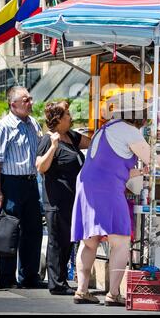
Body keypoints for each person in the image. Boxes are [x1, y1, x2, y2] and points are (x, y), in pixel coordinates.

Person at [71, 92, 160, 306]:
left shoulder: (106, 128)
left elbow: (111, 167)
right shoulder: (129, 131)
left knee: (89, 241)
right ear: (140, 115)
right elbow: (154, 160)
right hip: (107, 189)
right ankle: (113, 294)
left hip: (86, 186)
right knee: (120, 242)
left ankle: (82, 291)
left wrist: (140, 172)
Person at [0, 86, 43, 289]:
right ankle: (6, 278)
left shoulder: (33, 124)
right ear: (13, 105)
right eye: (25, 100)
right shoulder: (3, 127)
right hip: (10, 183)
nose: (30, 103)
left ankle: (29, 276)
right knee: (9, 231)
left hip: (30, 183)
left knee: (33, 229)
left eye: (30, 98)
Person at [36, 101, 91, 295]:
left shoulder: (72, 136)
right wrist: (52, 147)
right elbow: (41, 167)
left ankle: (62, 281)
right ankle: (56, 284)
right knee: (56, 242)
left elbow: (92, 143)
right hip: (56, 201)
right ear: (58, 119)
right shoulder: (48, 139)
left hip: (73, 199)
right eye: (67, 114)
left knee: (68, 240)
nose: (71, 117)